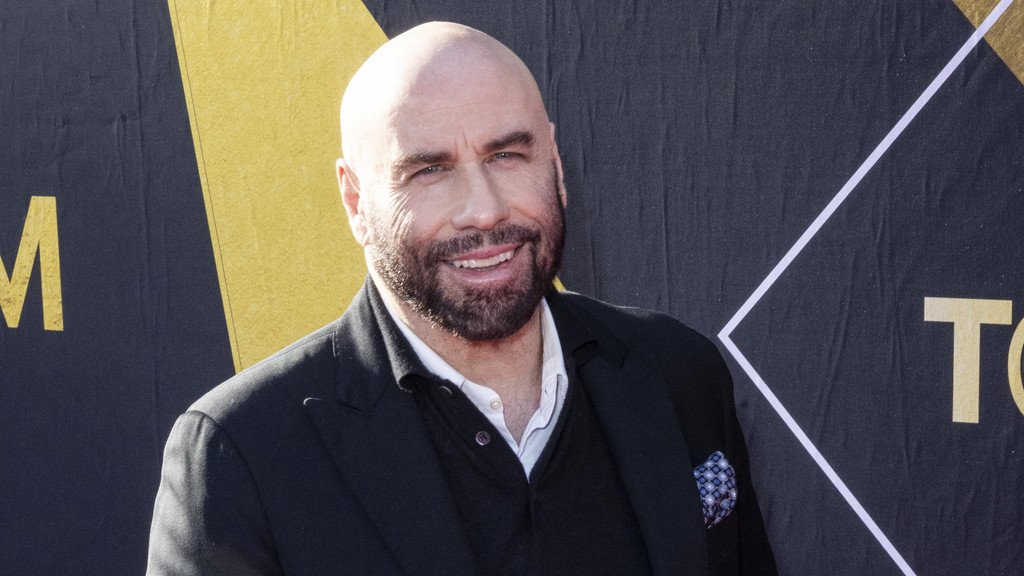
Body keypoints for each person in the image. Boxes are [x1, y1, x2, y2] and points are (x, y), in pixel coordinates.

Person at [146, 21, 777, 576]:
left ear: (555, 163)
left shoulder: (675, 376)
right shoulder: (244, 455)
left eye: (507, 155)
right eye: (429, 170)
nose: (484, 209)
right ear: (356, 201)